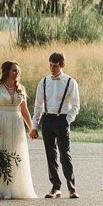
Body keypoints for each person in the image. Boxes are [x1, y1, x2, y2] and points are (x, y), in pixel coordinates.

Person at [0, 60, 38, 199]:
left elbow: (25, 111)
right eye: (14, 70)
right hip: (1, 122)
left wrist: (32, 128)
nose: (17, 73)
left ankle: (14, 189)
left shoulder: (20, 88)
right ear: (6, 72)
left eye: (18, 70)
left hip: (16, 123)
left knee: (15, 154)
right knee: (0, 154)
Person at [30, 52, 81, 198]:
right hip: (47, 119)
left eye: (56, 66)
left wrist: (67, 120)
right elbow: (38, 105)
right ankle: (55, 187)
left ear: (62, 65)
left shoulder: (71, 82)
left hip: (62, 119)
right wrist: (34, 126)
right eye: (51, 65)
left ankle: (71, 188)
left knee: (65, 153)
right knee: (50, 154)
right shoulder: (44, 82)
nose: (52, 69)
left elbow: (76, 105)